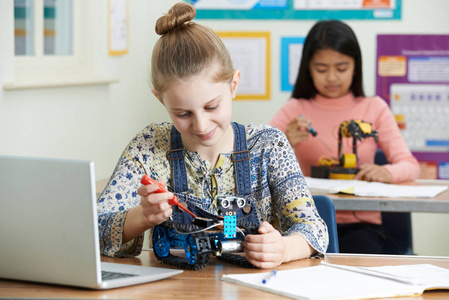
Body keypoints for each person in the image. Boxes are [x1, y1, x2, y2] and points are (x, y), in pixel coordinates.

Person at [97, 2, 327, 269]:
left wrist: (284, 248)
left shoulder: (268, 144)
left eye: (211, 106)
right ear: (161, 101)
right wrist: (142, 216)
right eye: (183, 114)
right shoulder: (149, 147)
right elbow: (94, 231)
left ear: (234, 84)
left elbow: (314, 229)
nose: (201, 125)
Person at [269, 20, 420, 254]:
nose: (331, 78)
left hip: (360, 228)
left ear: (355, 67)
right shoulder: (294, 109)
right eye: (321, 69)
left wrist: (387, 172)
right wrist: (284, 142)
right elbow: (256, 163)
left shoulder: (374, 108)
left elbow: (410, 166)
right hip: (303, 225)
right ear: (308, 68)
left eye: (341, 68)